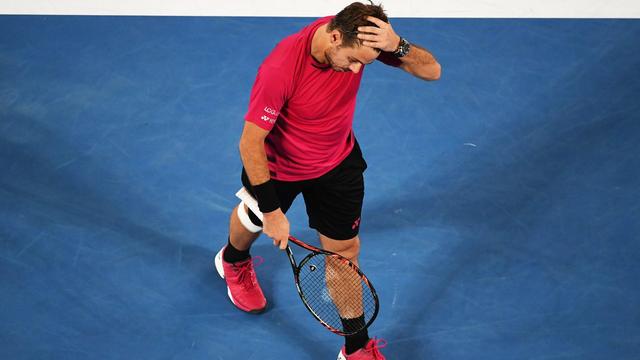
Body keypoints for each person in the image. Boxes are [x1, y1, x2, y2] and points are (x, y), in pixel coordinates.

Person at [213, 2, 441, 359]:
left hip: (336, 162)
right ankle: (233, 260)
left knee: (345, 253)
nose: (355, 71)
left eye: (363, 64)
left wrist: (397, 44)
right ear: (334, 37)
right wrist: (273, 212)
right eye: (352, 60)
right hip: (279, 167)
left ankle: (356, 348)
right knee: (254, 217)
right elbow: (250, 141)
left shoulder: (361, 40)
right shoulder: (282, 66)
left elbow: (433, 71)